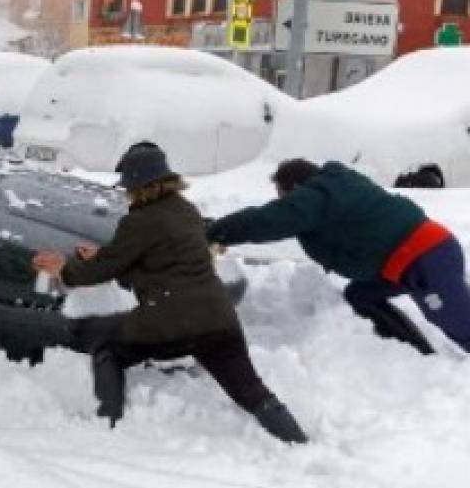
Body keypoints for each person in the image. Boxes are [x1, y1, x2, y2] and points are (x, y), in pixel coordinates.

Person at [32, 144, 308, 444]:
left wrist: (65, 269)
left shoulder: (138, 221)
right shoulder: (187, 212)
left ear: (138, 187)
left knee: (107, 348)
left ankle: (106, 424)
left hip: (170, 321)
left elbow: (103, 269)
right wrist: (104, 255)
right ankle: (299, 442)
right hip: (218, 319)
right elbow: (152, 261)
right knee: (252, 392)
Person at [207, 159, 470, 356]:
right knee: (361, 295)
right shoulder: (334, 189)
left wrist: (215, 233)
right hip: (411, 260)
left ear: (296, 187)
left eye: (283, 195)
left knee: (459, 324)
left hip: (427, 257)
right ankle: (414, 353)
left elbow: (266, 221)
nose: (282, 201)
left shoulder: (317, 197)